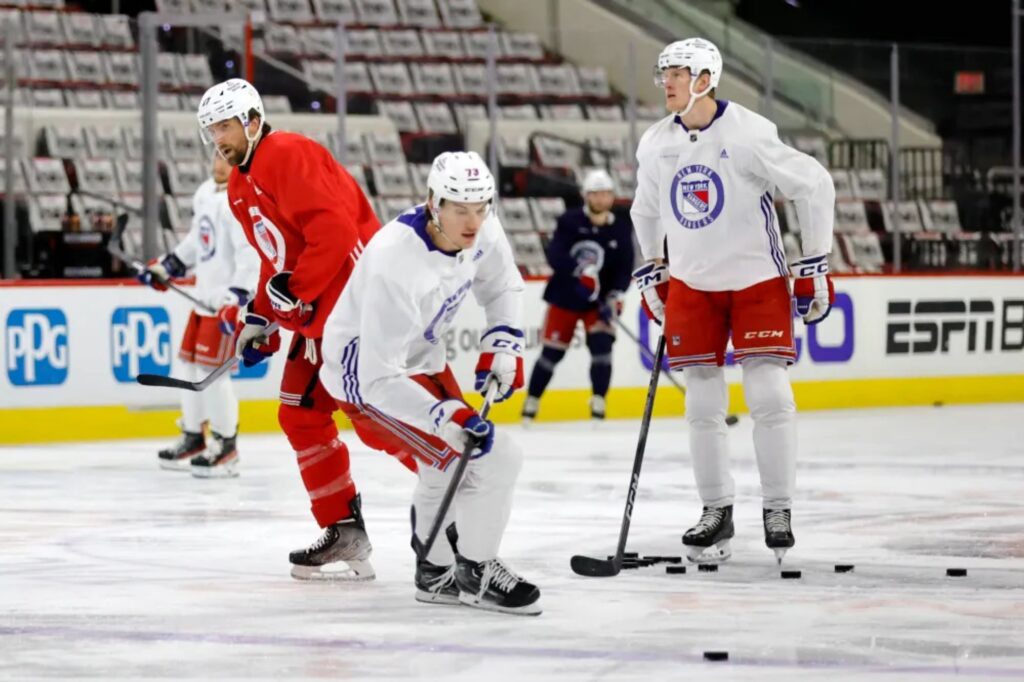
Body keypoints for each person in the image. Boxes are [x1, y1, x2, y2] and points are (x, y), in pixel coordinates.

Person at [196, 78, 412, 581]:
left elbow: (333, 232)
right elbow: (279, 259)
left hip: (354, 305)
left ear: (252, 120)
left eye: (225, 126)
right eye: (211, 130)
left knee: (372, 416)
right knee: (299, 412)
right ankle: (345, 529)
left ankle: (452, 489)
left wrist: (294, 296)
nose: (218, 139)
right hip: (323, 312)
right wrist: (261, 317)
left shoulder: (288, 153)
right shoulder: (240, 185)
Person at [630, 38, 835, 564]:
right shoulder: (655, 142)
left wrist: (814, 264)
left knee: (769, 394)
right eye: (664, 74)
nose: (667, 82)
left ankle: (778, 507)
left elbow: (814, 184)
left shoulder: (747, 132)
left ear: (704, 76)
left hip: (756, 279)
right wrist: (654, 267)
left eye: (676, 72)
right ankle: (716, 508)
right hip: (694, 284)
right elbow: (646, 210)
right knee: (701, 402)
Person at [319, 151, 541, 615]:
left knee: (447, 466)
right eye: (460, 209)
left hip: (422, 359)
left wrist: (503, 345)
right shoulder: (393, 262)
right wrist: (444, 415)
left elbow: (503, 285)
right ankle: (475, 571)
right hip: (365, 379)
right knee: (495, 458)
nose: (473, 221)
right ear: (432, 202)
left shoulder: (484, 226)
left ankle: (435, 570)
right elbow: (377, 376)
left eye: (481, 208)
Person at [138, 152, 260, 478]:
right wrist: (169, 265)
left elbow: (251, 253)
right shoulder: (206, 192)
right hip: (201, 298)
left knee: (213, 373)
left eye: (225, 159)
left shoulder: (241, 198)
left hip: (223, 303)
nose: (218, 164)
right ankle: (193, 435)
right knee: (190, 366)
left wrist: (238, 295)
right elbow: (197, 241)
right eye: (216, 157)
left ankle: (226, 444)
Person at [521, 168, 634, 423]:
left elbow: (624, 267)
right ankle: (532, 401)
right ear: (586, 196)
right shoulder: (570, 221)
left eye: (605, 194)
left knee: (602, 348)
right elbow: (556, 255)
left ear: (612, 196)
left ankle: (599, 402)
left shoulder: (621, 227)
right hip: (566, 296)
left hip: (600, 301)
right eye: (595, 194)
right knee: (552, 353)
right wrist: (578, 272)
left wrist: (615, 294)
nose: (600, 199)